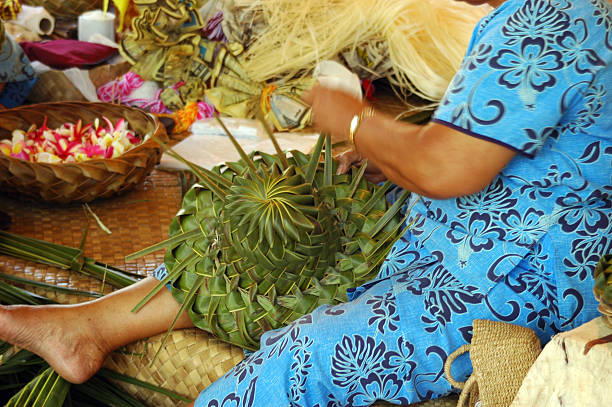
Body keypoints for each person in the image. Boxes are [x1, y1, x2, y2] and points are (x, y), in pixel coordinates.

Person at [0, 0, 610, 405]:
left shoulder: (550, 20)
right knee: (273, 242)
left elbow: (445, 164)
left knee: (306, 361)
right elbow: (490, 146)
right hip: (475, 231)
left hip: (509, 281)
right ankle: (89, 326)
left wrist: (356, 121)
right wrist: (383, 156)